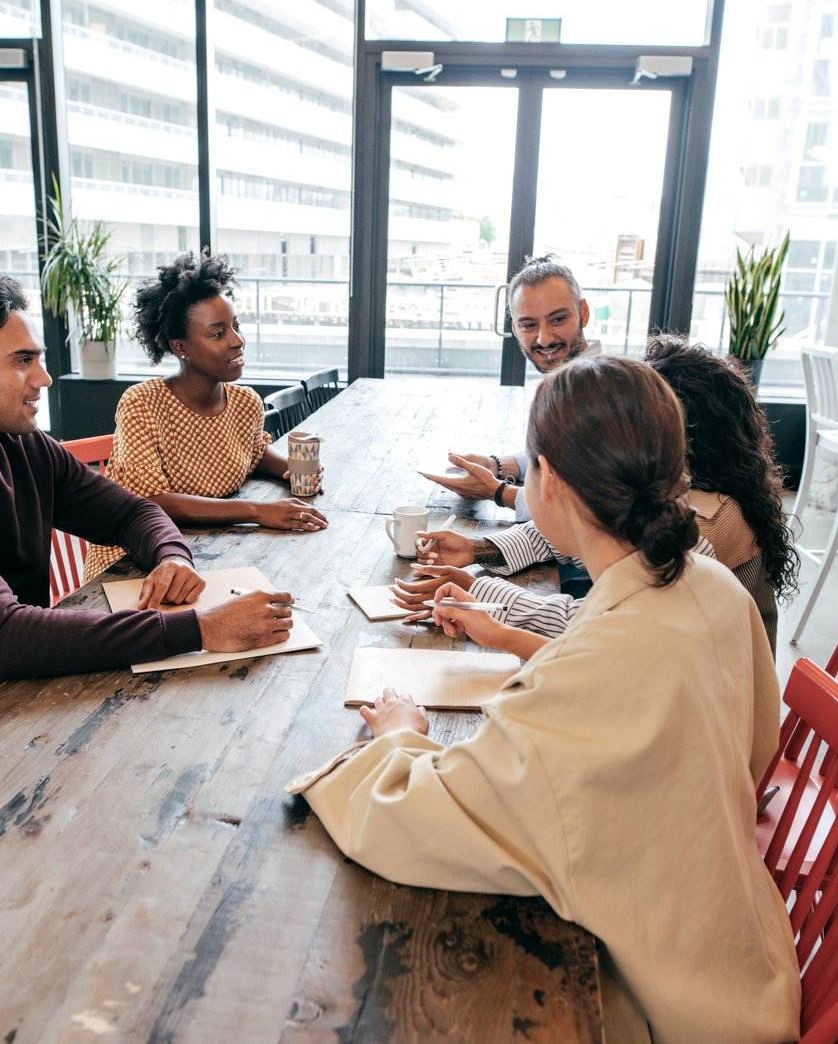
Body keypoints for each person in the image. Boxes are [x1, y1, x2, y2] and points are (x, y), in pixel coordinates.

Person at [291, 355, 800, 1043]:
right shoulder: (710, 586)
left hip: (671, 1003)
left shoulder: (600, 662)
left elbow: (426, 817)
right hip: (741, 941)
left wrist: (399, 736)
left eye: (525, 468)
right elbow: (749, 743)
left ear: (550, 480)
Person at [0, 271, 294, 708]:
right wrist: (199, 630)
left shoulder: (22, 444)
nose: (44, 379)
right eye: (22, 361)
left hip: (17, 692)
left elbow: (132, 512)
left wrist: (171, 556)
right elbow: (2, 639)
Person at [399, 337, 799, 652]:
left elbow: (594, 630)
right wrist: (478, 549)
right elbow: (583, 525)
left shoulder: (704, 526)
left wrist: (479, 590)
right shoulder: (674, 493)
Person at [82, 252, 327, 580]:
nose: (238, 341)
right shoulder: (142, 404)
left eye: (235, 327)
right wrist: (257, 511)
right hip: (134, 563)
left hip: (208, 551)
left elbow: (252, 452)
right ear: (180, 347)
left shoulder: (245, 403)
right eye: (218, 333)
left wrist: (294, 469)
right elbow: (153, 501)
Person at [419, 254, 600, 596]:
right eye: (529, 325)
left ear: (584, 313)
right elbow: (551, 461)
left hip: (585, 586)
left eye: (557, 319)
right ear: (515, 329)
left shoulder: (603, 397)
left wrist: (496, 490)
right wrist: (500, 465)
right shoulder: (568, 385)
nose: (544, 338)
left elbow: (582, 522)